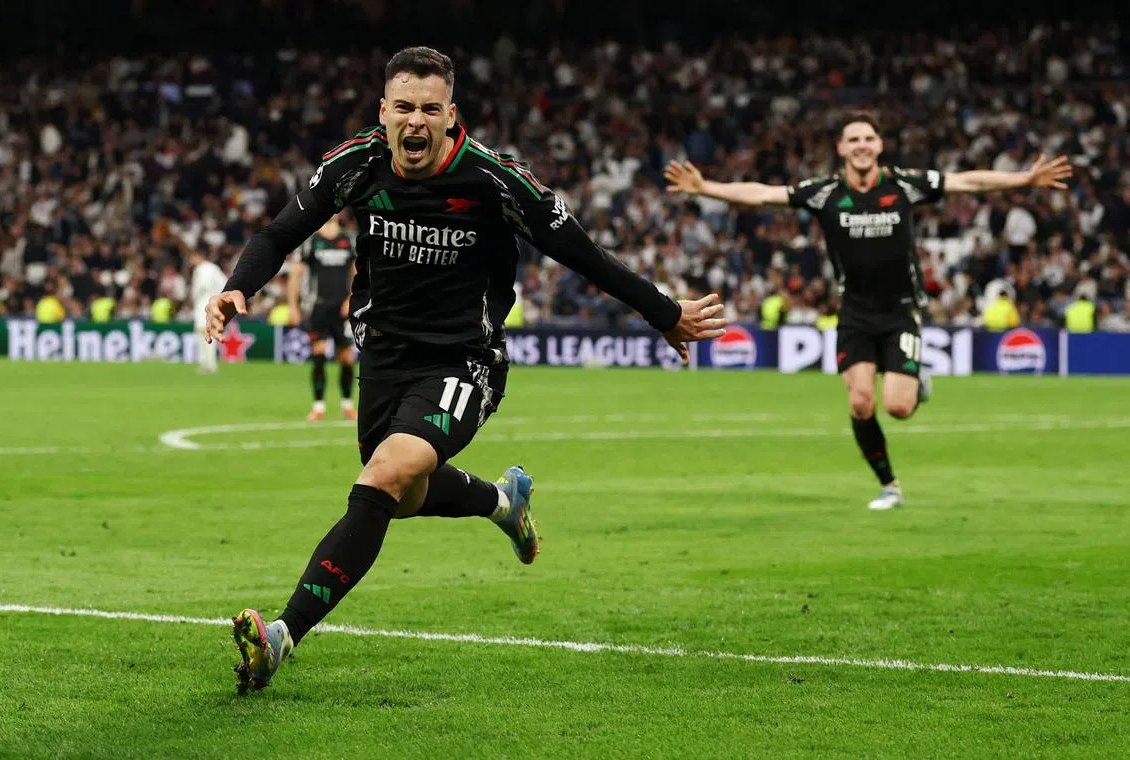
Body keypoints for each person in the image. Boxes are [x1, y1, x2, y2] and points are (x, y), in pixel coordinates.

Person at [204, 46, 726, 695]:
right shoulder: (355, 164)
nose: (415, 121)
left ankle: (284, 633)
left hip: (464, 360)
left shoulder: (496, 181)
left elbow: (583, 254)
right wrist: (237, 287)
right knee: (401, 493)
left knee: (385, 475)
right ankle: (504, 502)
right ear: (384, 112)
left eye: (429, 108)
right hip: (385, 358)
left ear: (451, 115)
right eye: (403, 107)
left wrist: (664, 311)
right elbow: (279, 234)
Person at [663, 111, 1070, 510]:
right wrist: (706, 188)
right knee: (860, 403)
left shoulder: (904, 185)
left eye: (868, 139)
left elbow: (968, 182)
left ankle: (917, 380)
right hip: (854, 313)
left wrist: (1025, 178)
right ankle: (889, 486)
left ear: (879, 145)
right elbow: (763, 193)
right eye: (853, 139)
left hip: (901, 311)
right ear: (841, 148)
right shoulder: (825, 192)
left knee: (898, 407)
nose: (861, 145)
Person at [288, 213, 359, 420]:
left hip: (342, 308)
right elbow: (296, 275)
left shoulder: (350, 240)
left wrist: (352, 299)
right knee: (318, 353)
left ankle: (347, 404)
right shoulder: (311, 242)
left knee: (346, 357)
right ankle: (318, 407)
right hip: (318, 306)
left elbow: (358, 272)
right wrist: (293, 305)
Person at [189, 247, 228, 374]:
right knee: (206, 333)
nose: (191, 260)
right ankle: (208, 363)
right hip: (213, 303)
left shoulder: (202, 268)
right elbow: (224, 283)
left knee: (204, 332)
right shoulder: (213, 267)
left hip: (204, 303)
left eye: (192, 257)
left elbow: (200, 288)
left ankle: (208, 364)